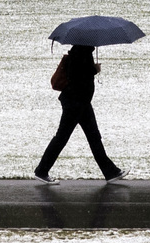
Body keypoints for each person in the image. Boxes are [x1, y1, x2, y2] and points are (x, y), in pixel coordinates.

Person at [34, 44, 128, 185]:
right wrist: (94, 69)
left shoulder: (82, 51)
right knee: (63, 137)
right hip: (75, 103)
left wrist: (92, 69)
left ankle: (110, 172)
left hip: (81, 102)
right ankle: (41, 170)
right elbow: (77, 76)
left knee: (93, 136)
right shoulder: (80, 53)